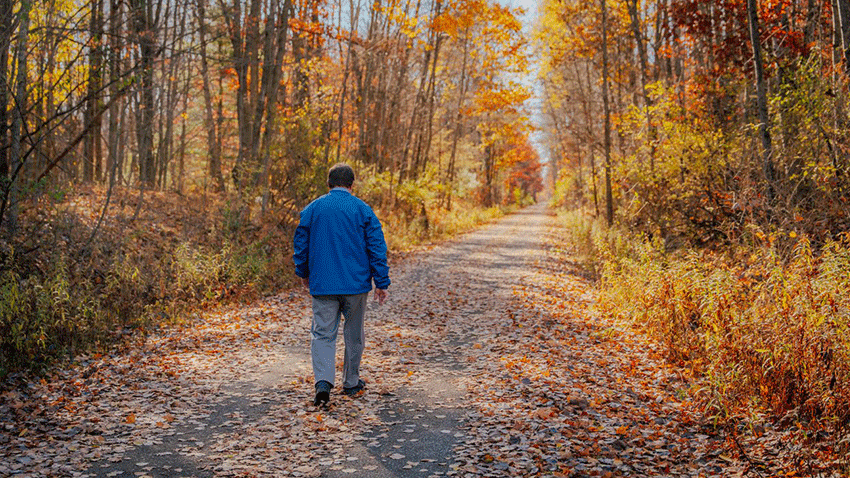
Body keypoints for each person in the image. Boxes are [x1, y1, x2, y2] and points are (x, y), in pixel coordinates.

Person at [292, 163, 390, 406]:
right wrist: (381, 281)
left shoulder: (313, 208)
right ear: (351, 184)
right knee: (354, 334)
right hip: (356, 285)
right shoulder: (362, 209)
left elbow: (301, 244)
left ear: (329, 183)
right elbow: (376, 246)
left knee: (323, 333)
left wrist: (303, 272)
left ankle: (323, 382)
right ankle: (351, 382)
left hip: (323, 284)